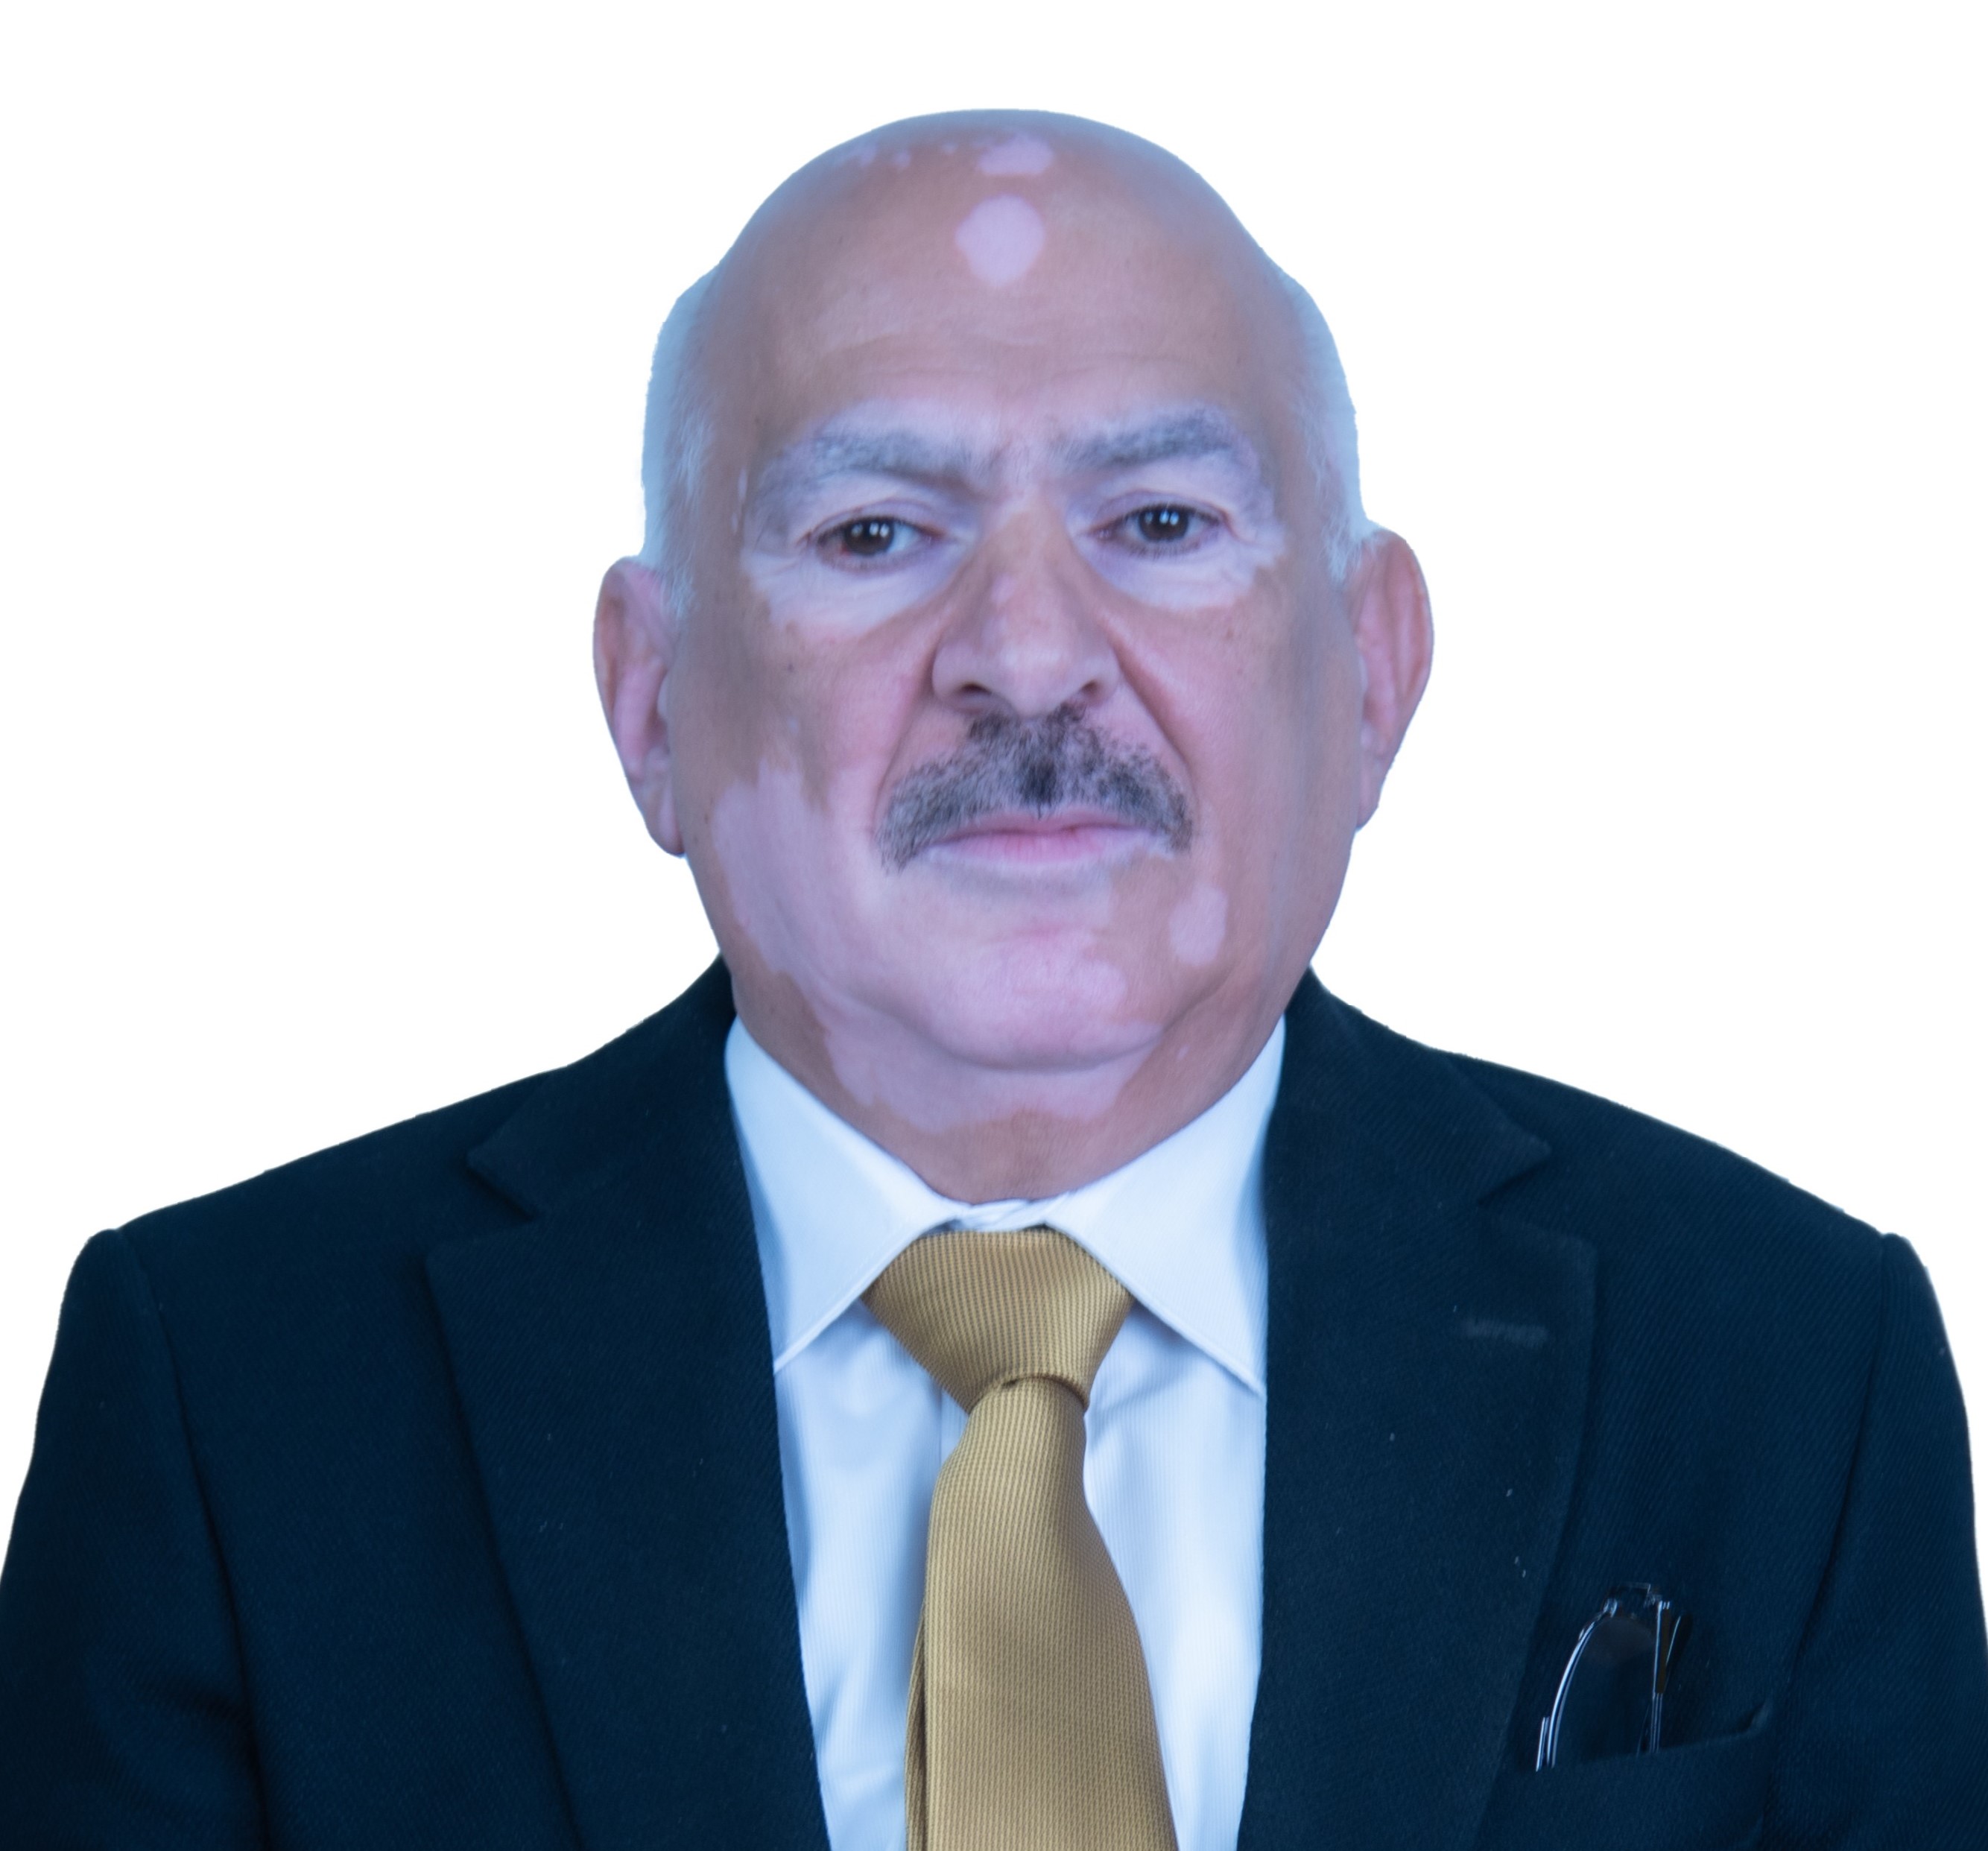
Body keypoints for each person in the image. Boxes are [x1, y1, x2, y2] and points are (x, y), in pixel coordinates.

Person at [1, 108, 1981, 1850]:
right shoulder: (233, 1400)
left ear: (1371, 672)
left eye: (1160, 522)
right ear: (652, 700)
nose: (1029, 656)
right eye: (875, 529)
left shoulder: (1788, 1368)